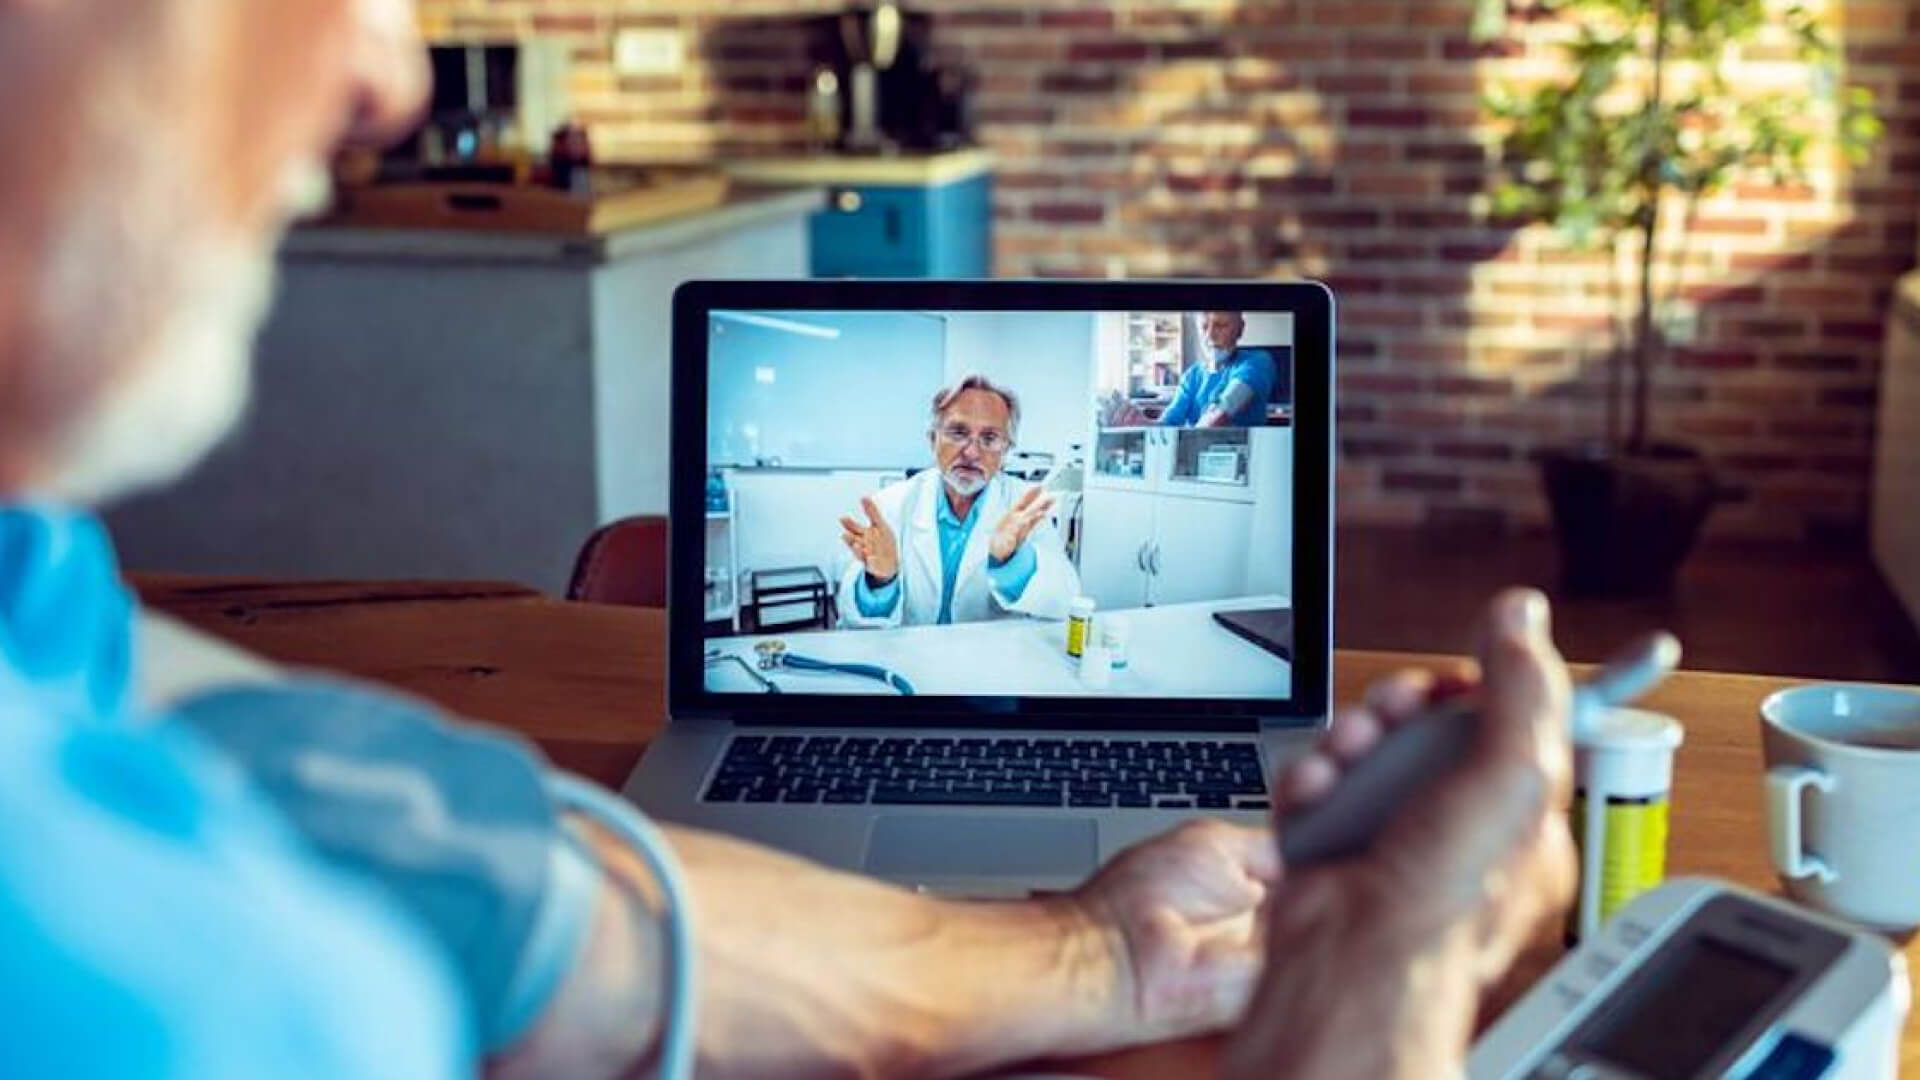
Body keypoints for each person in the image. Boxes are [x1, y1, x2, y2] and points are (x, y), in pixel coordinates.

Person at [0, 1, 1575, 1076]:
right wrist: (1362, 1033)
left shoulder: (32, 591)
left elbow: (469, 859)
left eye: (989, 438)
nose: (390, 75)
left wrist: (1104, 957)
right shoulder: (219, 1001)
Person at [838, 373, 1079, 628]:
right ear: (933, 440)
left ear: (1006, 450)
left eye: (990, 439)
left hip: (990, 660)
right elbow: (852, 623)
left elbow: (1064, 601)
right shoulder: (890, 506)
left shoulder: (1026, 508)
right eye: (958, 432)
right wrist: (880, 582)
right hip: (910, 657)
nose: (972, 452)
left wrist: (1012, 563)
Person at [1160, 311, 1283, 428]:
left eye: (1221, 326)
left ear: (1240, 329)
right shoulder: (1192, 375)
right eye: (1204, 327)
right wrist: (1143, 422)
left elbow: (1221, 413)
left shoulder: (1258, 361)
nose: (1210, 336)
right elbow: (1167, 423)